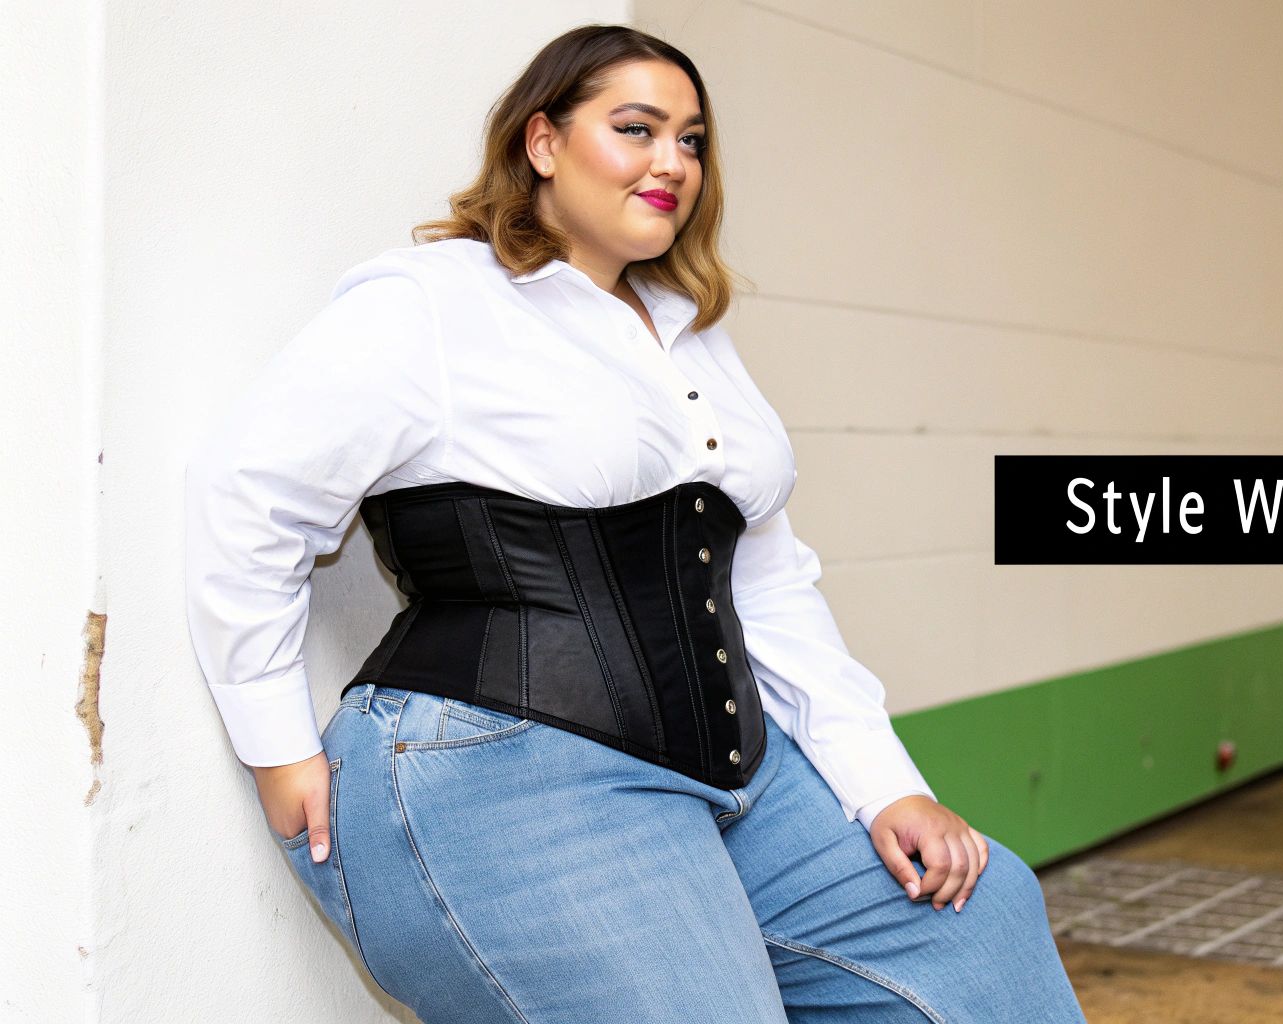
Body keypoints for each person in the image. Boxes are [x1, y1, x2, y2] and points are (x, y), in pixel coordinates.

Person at [181, 22, 1088, 1023]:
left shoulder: (689, 331)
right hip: (495, 770)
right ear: (541, 142)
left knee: (975, 916)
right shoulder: (434, 303)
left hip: (735, 776)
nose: (672, 162)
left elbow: (767, 585)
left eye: (691, 140)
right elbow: (250, 499)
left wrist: (884, 787)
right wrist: (275, 745)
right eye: (636, 129)